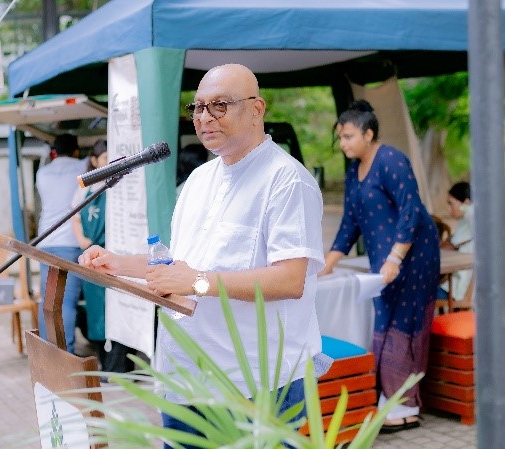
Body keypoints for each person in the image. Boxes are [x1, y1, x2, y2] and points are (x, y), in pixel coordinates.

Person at [79, 64, 325, 447]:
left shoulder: (286, 180)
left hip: (255, 382)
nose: (204, 117)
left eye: (219, 105)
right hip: (185, 375)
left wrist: (196, 282)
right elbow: (180, 265)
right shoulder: (198, 179)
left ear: (257, 109)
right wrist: (118, 264)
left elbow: (290, 279)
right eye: (197, 107)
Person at [319, 100, 440, 433]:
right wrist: (328, 264)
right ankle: (393, 401)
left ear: (368, 134)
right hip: (384, 261)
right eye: (340, 138)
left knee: (403, 324)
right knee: (385, 323)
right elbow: (350, 221)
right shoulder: (353, 169)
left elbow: (411, 210)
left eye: (348, 136)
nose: (342, 144)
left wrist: (395, 258)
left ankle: (406, 408)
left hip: (412, 256)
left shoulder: (391, 160)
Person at [71, 139, 135, 374]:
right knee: (97, 312)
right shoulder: (85, 187)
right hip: (92, 260)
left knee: (119, 310)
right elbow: (75, 217)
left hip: (116, 257)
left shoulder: (122, 185)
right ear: (95, 160)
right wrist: (82, 241)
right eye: (105, 157)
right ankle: (105, 365)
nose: (109, 162)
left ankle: (121, 368)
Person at [35, 133, 88, 352]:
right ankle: (66, 354)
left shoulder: (42, 173)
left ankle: (46, 353)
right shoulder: (82, 167)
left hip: (45, 242)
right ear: (76, 151)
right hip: (70, 242)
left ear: (54, 152)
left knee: (48, 301)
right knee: (66, 302)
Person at [438, 182, 473, 302]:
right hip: (449, 285)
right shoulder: (464, 223)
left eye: (451, 204)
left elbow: (473, 211)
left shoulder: (472, 220)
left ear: (467, 203)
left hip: (454, 290)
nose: (449, 209)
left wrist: (466, 205)